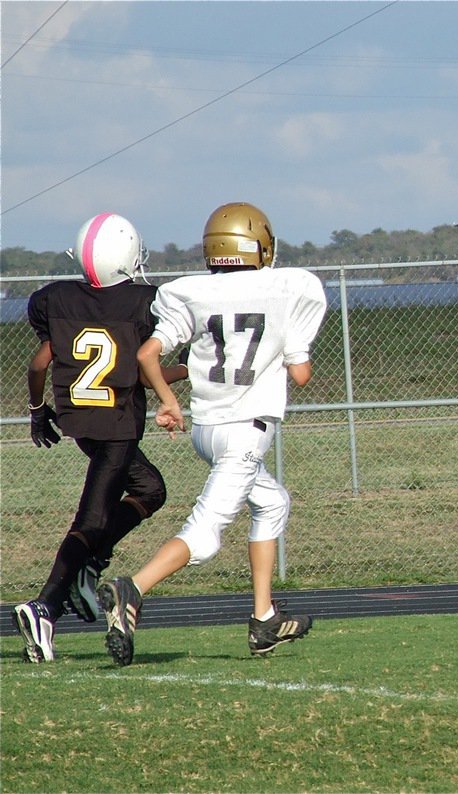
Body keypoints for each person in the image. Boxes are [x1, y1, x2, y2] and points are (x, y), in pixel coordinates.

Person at [98, 202, 327, 665]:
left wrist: (169, 398)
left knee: (272, 501)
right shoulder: (288, 288)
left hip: (206, 431)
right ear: (261, 247)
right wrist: (284, 354)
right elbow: (300, 374)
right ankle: (132, 588)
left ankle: (264, 618)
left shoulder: (192, 293)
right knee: (205, 535)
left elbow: (147, 357)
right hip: (244, 434)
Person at [12, 213, 187, 663]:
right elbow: (146, 376)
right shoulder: (144, 302)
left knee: (150, 489)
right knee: (89, 521)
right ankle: (46, 604)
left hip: (80, 418)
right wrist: (189, 371)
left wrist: (37, 412)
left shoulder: (58, 299)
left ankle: (91, 563)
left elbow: (38, 364)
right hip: (118, 423)